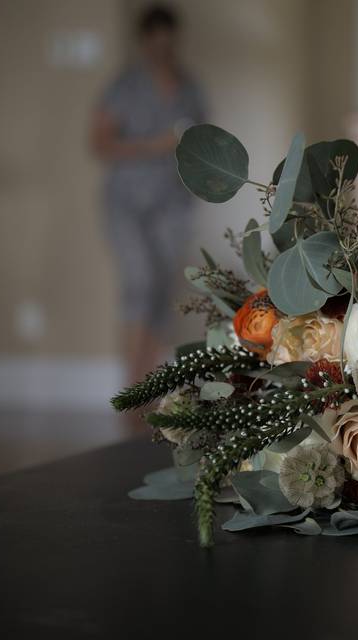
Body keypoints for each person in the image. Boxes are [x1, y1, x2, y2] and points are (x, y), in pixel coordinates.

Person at [90, 5, 207, 409]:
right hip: (127, 204)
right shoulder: (125, 85)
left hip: (173, 204)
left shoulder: (189, 86)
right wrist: (152, 145)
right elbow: (100, 144)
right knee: (138, 285)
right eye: (154, 42)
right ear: (143, 42)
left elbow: (202, 141)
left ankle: (148, 386)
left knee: (161, 293)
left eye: (168, 42)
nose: (162, 49)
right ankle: (129, 388)